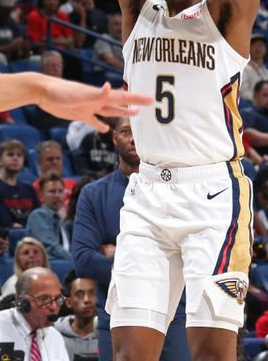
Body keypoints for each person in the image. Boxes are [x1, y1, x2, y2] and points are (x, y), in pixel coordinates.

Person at [108, 0, 261, 351]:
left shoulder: (227, 18)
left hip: (214, 196)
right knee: (129, 350)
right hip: (146, 192)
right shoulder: (136, 6)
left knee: (210, 351)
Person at [72, 116, 191, 361]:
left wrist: (120, 253)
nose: (134, 137)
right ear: (114, 136)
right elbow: (84, 259)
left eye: (141, 130)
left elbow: (186, 251)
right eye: (126, 130)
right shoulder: (93, 194)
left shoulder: (175, 190)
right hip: (116, 312)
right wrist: (154, 260)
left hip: (174, 314)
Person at [0, 267, 69, 360]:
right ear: (22, 302)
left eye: (58, 299)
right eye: (44, 299)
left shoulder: (54, 336)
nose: (54, 307)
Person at [0, 140, 42, 230]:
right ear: (0, 160)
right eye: (10, 155)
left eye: (19, 155)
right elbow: (4, 222)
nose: (15, 158)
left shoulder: (29, 190)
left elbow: (38, 218)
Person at [26, 172, 72, 260]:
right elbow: (51, 247)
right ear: (41, 196)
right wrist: (74, 261)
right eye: (52, 191)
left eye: (60, 191)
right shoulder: (38, 215)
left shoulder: (60, 219)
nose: (57, 195)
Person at [54, 273, 98, 361]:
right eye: (79, 294)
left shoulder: (109, 335)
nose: (87, 300)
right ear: (68, 302)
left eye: (92, 293)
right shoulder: (54, 335)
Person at [239, 33, 268, 101]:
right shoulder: (243, 69)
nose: (258, 47)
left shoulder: (267, 72)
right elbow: (243, 94)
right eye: (253, 44)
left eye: (261, 45)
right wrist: (261, 100)